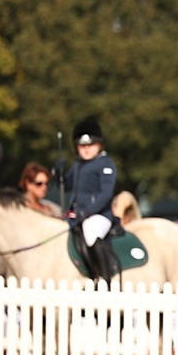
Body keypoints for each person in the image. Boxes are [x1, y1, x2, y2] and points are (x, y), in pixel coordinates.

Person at [62, 117, 118, 282]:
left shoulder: (105, 164)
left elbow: (106, 194)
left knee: (91, 232)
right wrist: (58, 174)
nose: (86, 149)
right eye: (82, 146)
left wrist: (87, 212)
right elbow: (66, 185)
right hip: (77, 215)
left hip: (99, 215)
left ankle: (103, 278)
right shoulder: (77, 165)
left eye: (91, 145)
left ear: (99, 145)